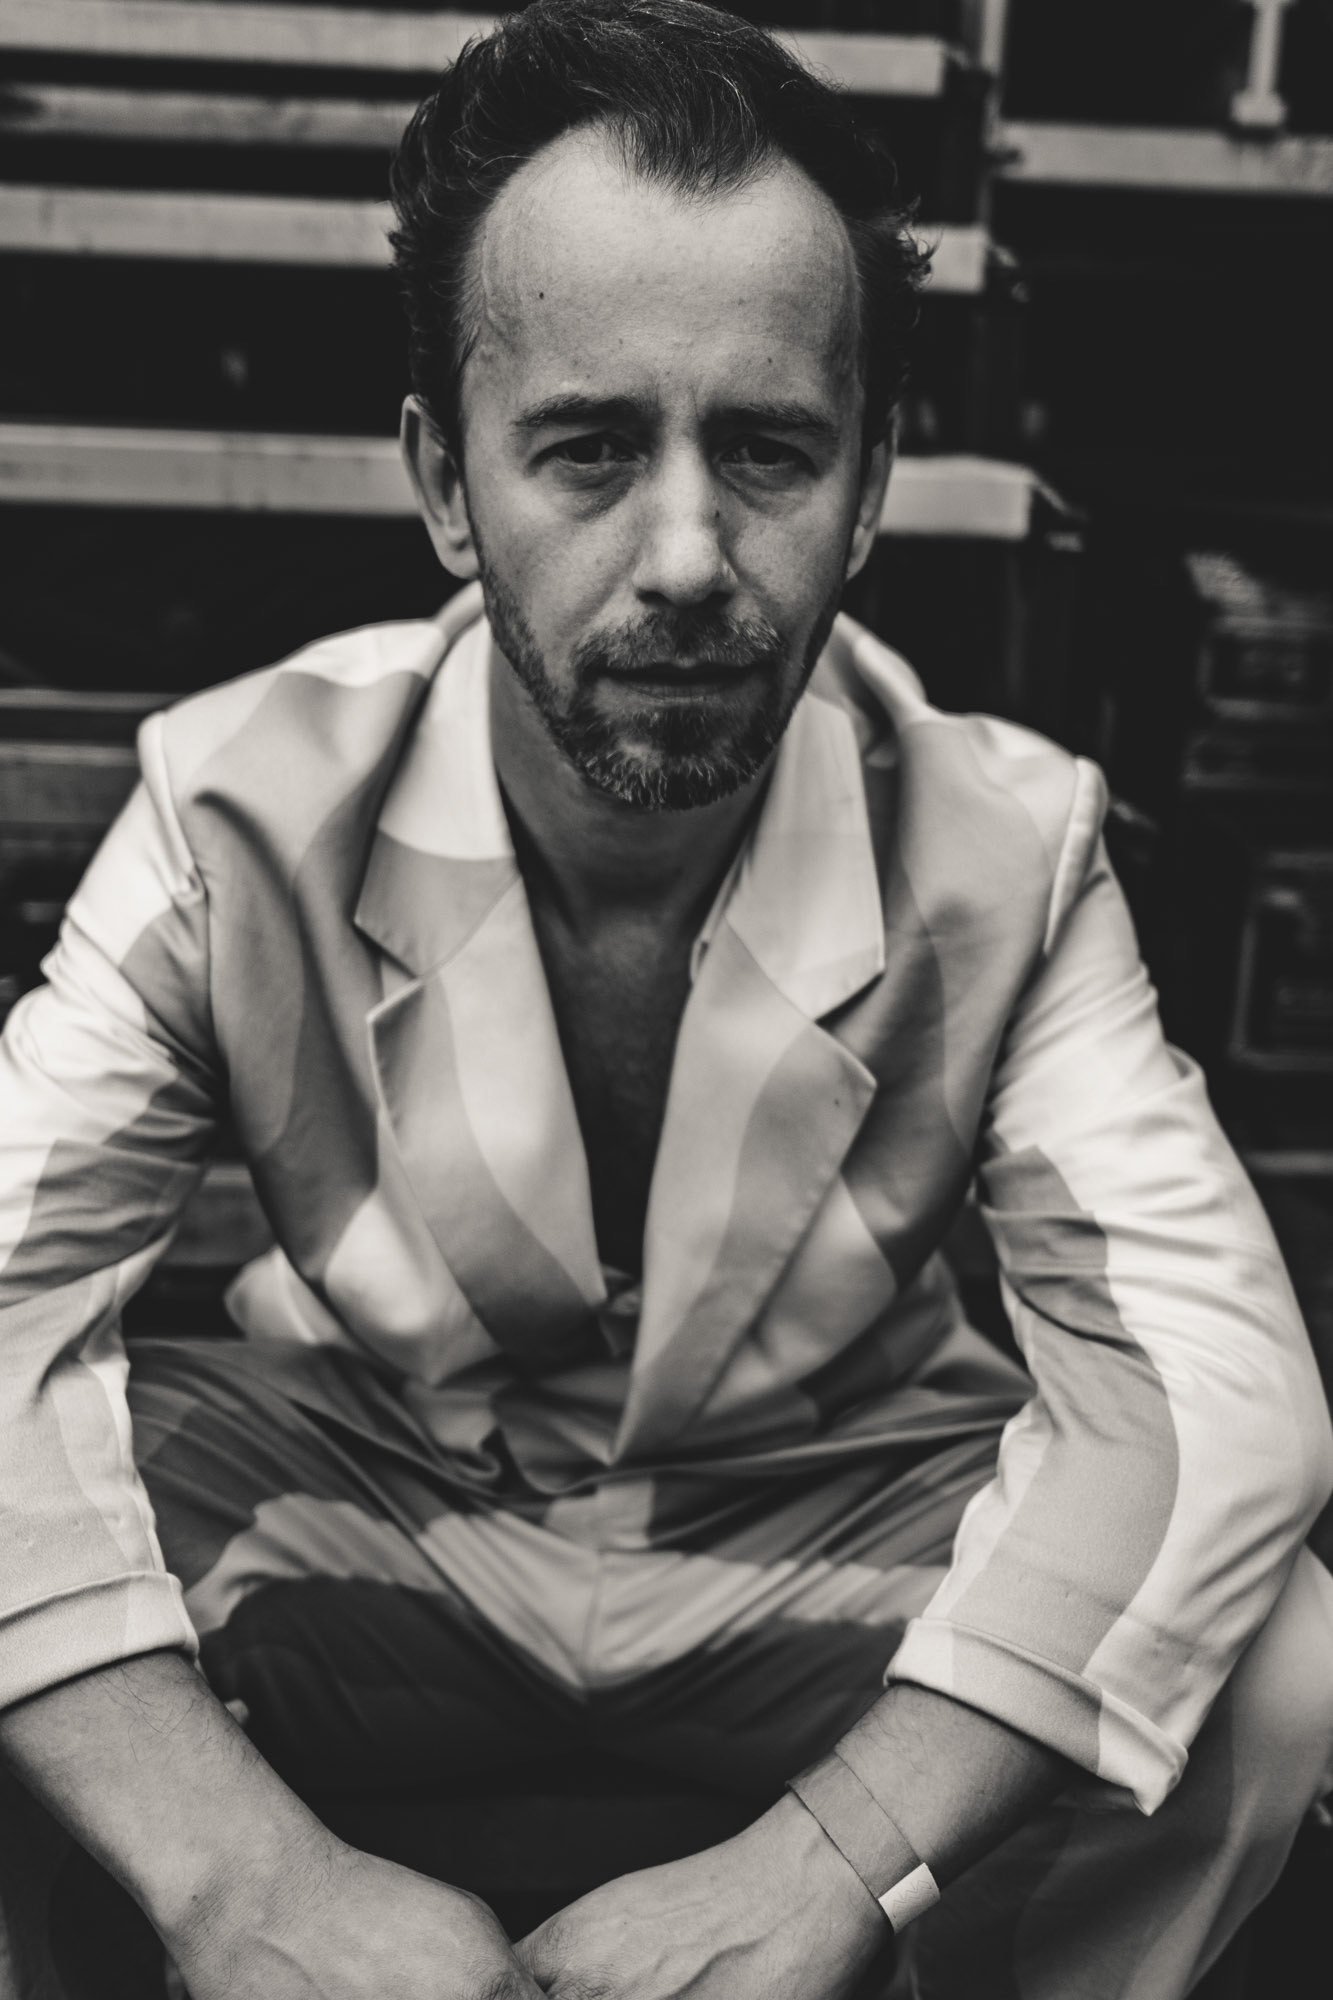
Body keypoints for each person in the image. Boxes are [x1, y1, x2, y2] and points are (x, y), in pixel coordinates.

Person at [1, 4, 1331, 1996]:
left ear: (868, 486)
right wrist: (235, 1876)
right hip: (366, 1501)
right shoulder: (234, 808)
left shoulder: (1007, 842)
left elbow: (1218, 1400)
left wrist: (827, 1869)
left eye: (769, 449)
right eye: (592, 448)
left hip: (819, 1512)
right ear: (448, 485)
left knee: (1274, 1660)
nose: (689, 556)